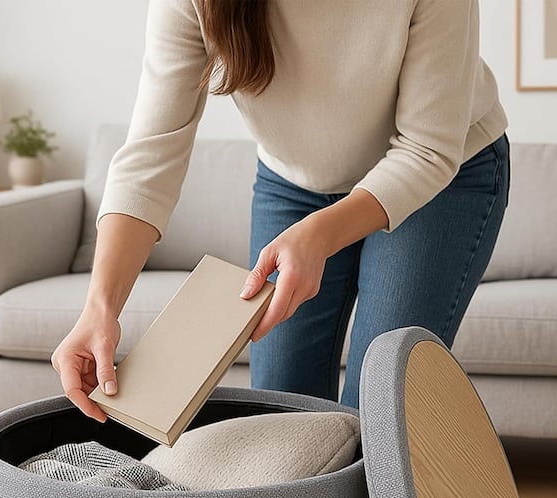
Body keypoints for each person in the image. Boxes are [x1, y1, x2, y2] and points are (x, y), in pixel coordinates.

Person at [52, 0, 510, 421]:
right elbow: (151, 156)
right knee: (278, 414)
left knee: (377, 413)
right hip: (295, 182)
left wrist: (318, 236)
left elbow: (428, 150)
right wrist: (99, 308)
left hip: (438, 178)